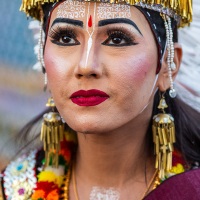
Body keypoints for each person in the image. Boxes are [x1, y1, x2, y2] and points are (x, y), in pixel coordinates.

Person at [1, 0, 200, 199]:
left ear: (168, 66)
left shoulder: (192, 190)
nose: (86, 66)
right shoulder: (11, 191)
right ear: (42, 57)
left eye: (117, 40)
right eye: (66, 38)